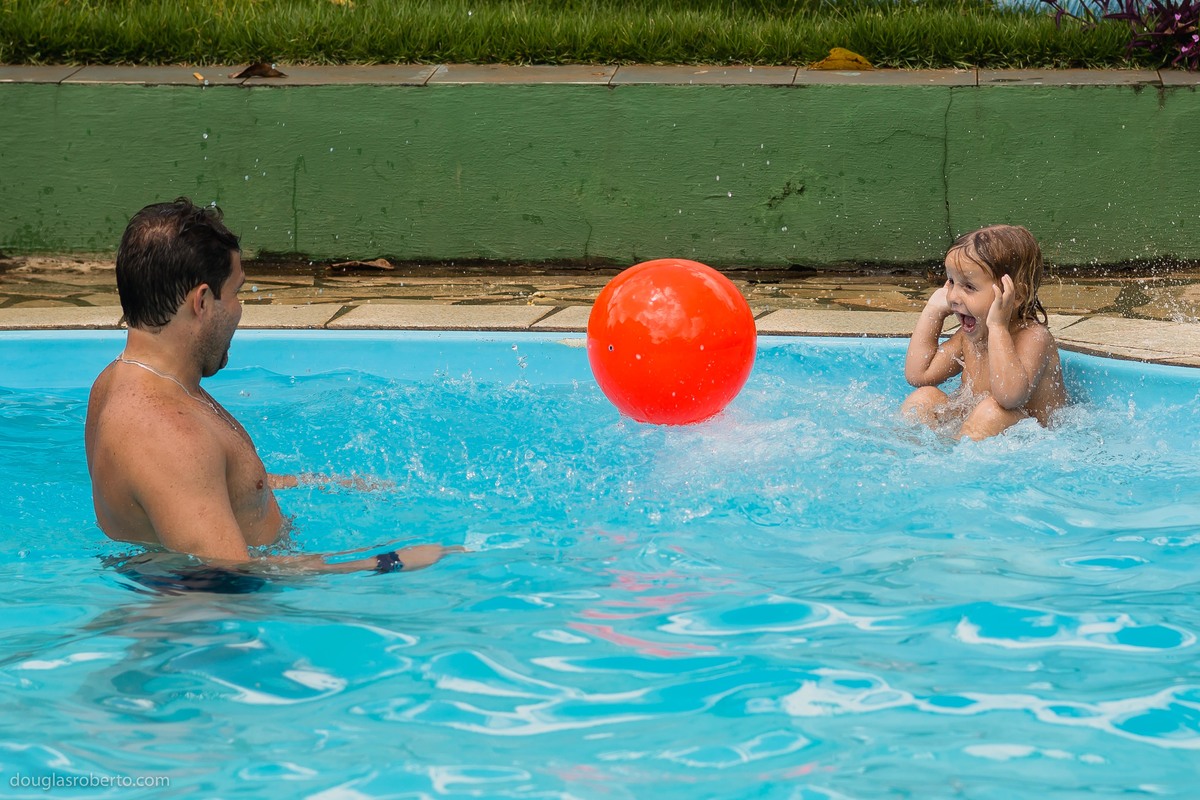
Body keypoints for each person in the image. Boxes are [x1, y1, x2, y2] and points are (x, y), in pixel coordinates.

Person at [85, 197, 459, 576]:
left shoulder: (117, 382)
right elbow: (230, 578)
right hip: (210, 624)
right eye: (235, 293)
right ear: (201, 301)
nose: (238, 309)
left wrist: (314, 482)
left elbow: (192, 492)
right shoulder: (168, 433)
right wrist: (386, 562)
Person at [900, 224, 1068, 441]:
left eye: (969, 287)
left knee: (991, 413)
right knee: (924, 398)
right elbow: (919, 375)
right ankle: (912, 455)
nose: (953, 297)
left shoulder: (1034, 338)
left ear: (1015, 296)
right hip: (975, 431)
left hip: (1032, 439)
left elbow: (1009, 397)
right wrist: (932, 311)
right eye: (951, 282)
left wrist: (998, 328)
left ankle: (951, 462)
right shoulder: (969, 336)